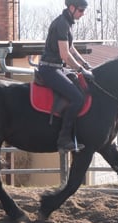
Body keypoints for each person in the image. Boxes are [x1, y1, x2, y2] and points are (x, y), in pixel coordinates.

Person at [38, 0, 94, 153]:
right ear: (71, 8)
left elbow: (71, 47)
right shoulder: (62, 23)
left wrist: (85, 64)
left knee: (80, 88)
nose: (83, 14)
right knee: (77, 98)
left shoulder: (66, 23)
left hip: (58, 68)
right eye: (81, 10)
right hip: (49, 69)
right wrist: (81, 69)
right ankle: (64, 139)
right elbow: (65, 55)